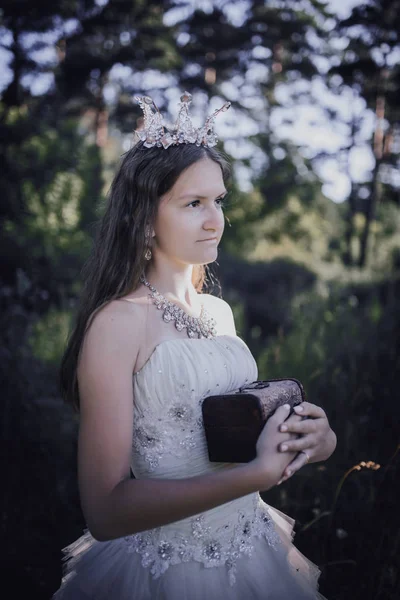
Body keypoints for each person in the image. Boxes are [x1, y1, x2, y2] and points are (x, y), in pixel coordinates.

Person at [53, 93, 336, 600]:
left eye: (219, 200)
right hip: (167, 573)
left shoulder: (217, 312)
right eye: (193, 204)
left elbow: (235, 431)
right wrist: (253, 477)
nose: (215, 220)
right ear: (143, 219)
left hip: (251, 549)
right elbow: (105, 510)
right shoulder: (118, 324)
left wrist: (311, 442)